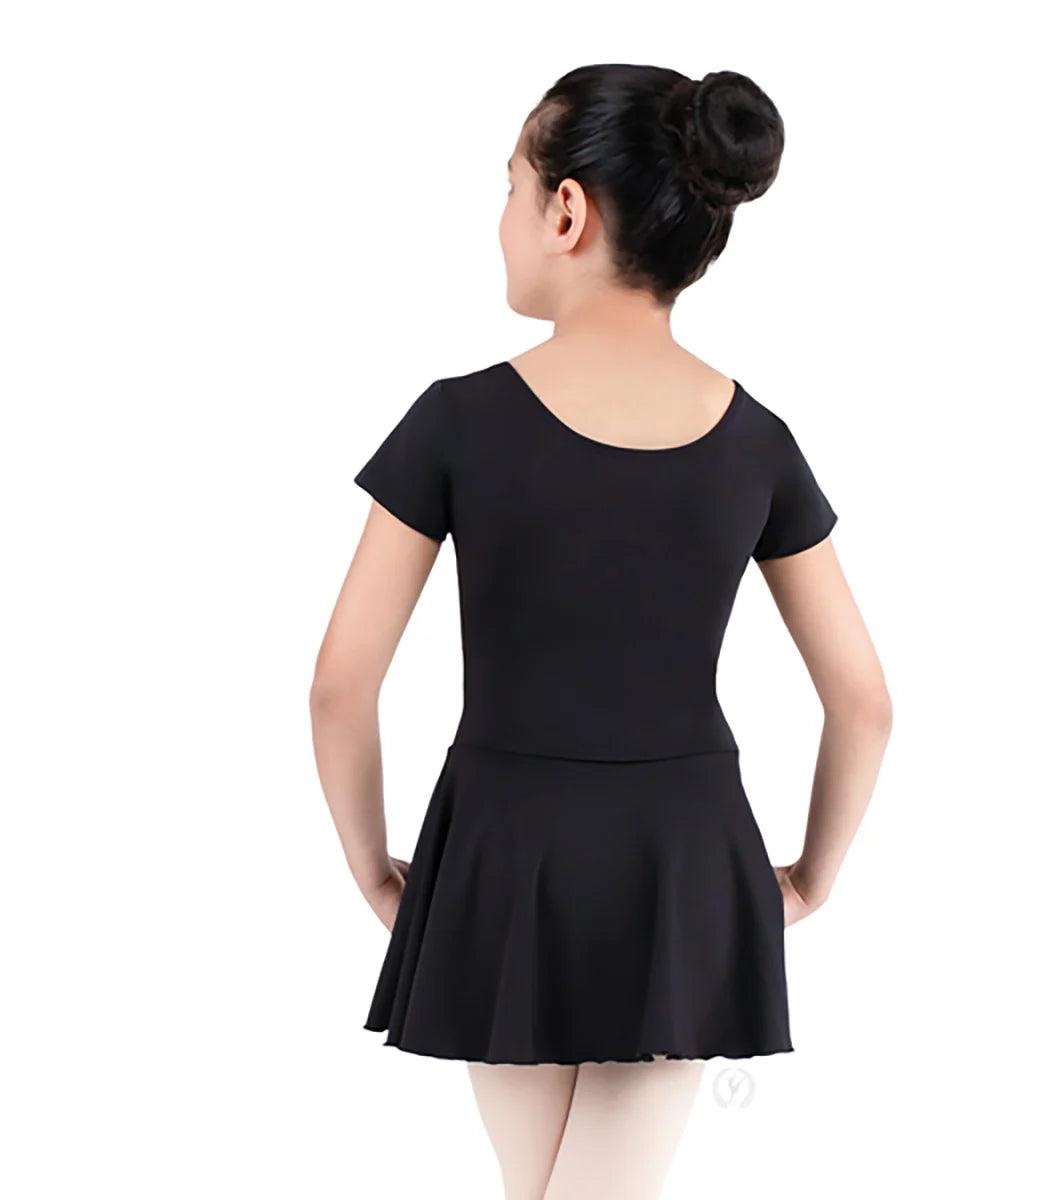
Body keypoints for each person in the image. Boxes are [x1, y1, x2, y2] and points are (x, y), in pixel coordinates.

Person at [310, 63, 892, 1200]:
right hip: (684, 857)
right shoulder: (757, 441)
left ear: (566, 211)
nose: (503, 215)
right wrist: (811, 877)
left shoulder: (457, 420)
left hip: (499, 850)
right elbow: (863, 700)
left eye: (510, 185)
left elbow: (340, 683)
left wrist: (375, 869)